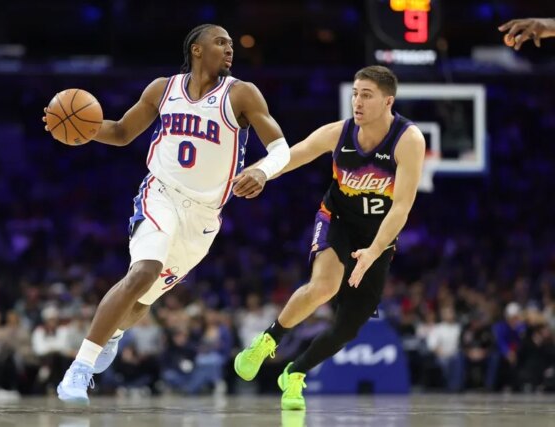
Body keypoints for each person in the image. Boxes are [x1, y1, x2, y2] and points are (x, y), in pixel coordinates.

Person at [42, 23, 290, 404]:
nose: (229, 49)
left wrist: (262, 171)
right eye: (220, 42)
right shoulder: (163, 89)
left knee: (142, 301)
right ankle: (79, 369)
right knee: (143, 270)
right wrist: (77, 129)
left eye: (230, 44)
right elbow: (121, 132)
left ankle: (113, 333)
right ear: (196, 49)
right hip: (161, 194)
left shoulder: (241, 93)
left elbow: (281, 148)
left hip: (204, 217)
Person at [234, 66, 425, 410]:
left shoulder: (408, 140)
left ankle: (295, 373)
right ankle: (267, 341)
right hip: (337, 219)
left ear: (388, 101)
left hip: (379, 235)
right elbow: (294, 154)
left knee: (349, 326)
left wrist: (374, 251)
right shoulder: (339, 132)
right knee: (324, 286)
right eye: (355, 93)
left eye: (367, 95)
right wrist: (260, 171)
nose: (357, 102)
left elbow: (401, 208)